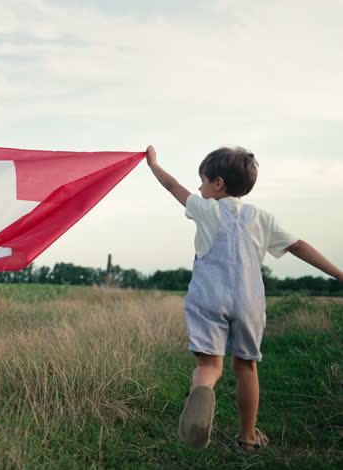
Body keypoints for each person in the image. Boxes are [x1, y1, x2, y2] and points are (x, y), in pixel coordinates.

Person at [146, 145, 342, 452]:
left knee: (209, 364)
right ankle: (247, 435)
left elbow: (173, 186)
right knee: (246, 367)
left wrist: (153, 164)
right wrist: (340, 275)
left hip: (208, 296)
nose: (198, 187)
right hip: (249, 302)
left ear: (218, 184)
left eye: (202, 181)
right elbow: (299, 246)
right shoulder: (262, 217)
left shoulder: (205, 208)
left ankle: (202, 390)